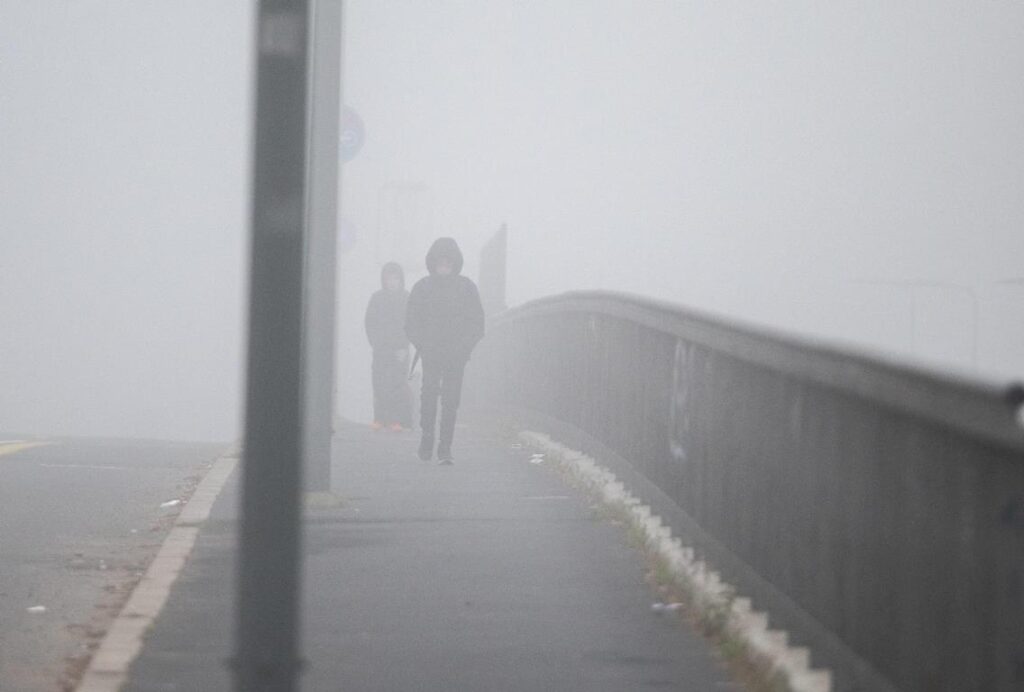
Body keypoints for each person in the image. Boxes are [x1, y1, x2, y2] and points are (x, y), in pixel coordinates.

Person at [405, 238, 485, 464]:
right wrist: (422, 344)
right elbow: (411, 322)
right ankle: (427, 436)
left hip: (456, 355)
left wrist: (464, 348)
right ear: (433, 262)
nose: (444, 266)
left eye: (448, 262)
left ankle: (445, 447)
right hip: (431, 353)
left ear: (455, 263)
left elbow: (477, 323)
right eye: (440, 262)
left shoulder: (467, 288)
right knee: (429, 394)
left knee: (451, 400)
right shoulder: (422, 288)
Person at [364, 262, 412, 431]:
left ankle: (395, 420)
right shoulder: (377, 298)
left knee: (397, 385)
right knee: (379, 383)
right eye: (389, 278)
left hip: (400, 351)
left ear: (401, 280)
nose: (392, 282)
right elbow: (369, 323)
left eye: (396, 278)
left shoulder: (407, 298)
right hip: (381, 350)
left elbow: (412, 324)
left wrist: (404, 347)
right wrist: (375, 343)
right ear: (383, 280)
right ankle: (379, 419)